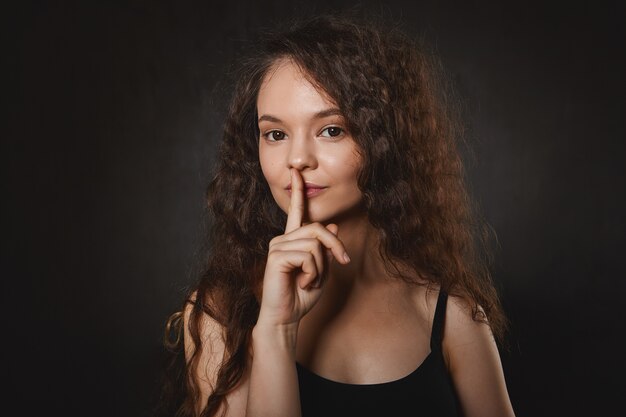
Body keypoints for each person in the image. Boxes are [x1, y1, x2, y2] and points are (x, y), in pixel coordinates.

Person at [160, 13, 516, 417]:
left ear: (385, 140)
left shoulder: (452, 317)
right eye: (275, 134)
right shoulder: (221, 312)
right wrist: (276, 331)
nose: (297, 159)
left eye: (331, 130)